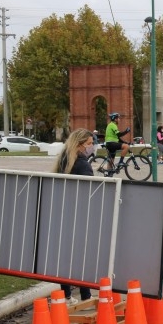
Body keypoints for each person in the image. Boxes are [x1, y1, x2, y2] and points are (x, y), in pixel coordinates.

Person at [53, 128, 96, 305]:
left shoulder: (63, 160)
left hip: (64, 213)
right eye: (90, 144)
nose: (92, 147)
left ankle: (68, 296)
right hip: (79, 215)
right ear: (80, 145)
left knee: (66, 257)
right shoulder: (82, 164)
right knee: (81, 257)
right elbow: (91, 190)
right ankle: (85, 295)